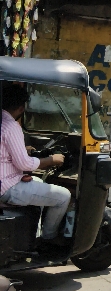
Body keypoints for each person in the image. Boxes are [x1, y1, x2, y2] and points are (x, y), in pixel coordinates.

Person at [0, 83, 69, 253]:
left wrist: (25, 150)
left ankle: (34, 236)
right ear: (21, 108)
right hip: (7, 188)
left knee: (39, 182)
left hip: (6, 180)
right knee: (64, 196)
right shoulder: (11, 126)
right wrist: (52, 160)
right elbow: (24, 164)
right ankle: (48, 240)